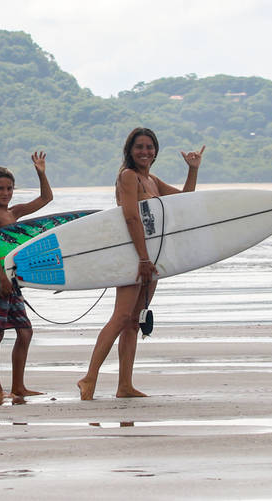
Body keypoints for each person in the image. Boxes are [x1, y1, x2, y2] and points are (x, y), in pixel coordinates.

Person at [77, 128, 204, 400]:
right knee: (121, 317)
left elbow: (184, 202)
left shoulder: (152, 180)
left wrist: (192, 170)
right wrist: (143, 258)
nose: (145, 152)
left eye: (149, 147)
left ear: (155, 151)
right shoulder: (128, 177)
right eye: (139, 147)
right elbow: (131, 218)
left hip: (151, 257)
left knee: (134, 321)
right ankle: (89, 378)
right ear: (129, 150)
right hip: (133, 256)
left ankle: (124, 385)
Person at [0, 152, 53, 405]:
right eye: (0, 188)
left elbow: (46, 198)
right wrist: (0, 278)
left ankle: (18, 386)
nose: (5, 193)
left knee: (24, 332)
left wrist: (41, 173)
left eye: (9, 188)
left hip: (11, 282)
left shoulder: (14, 212)